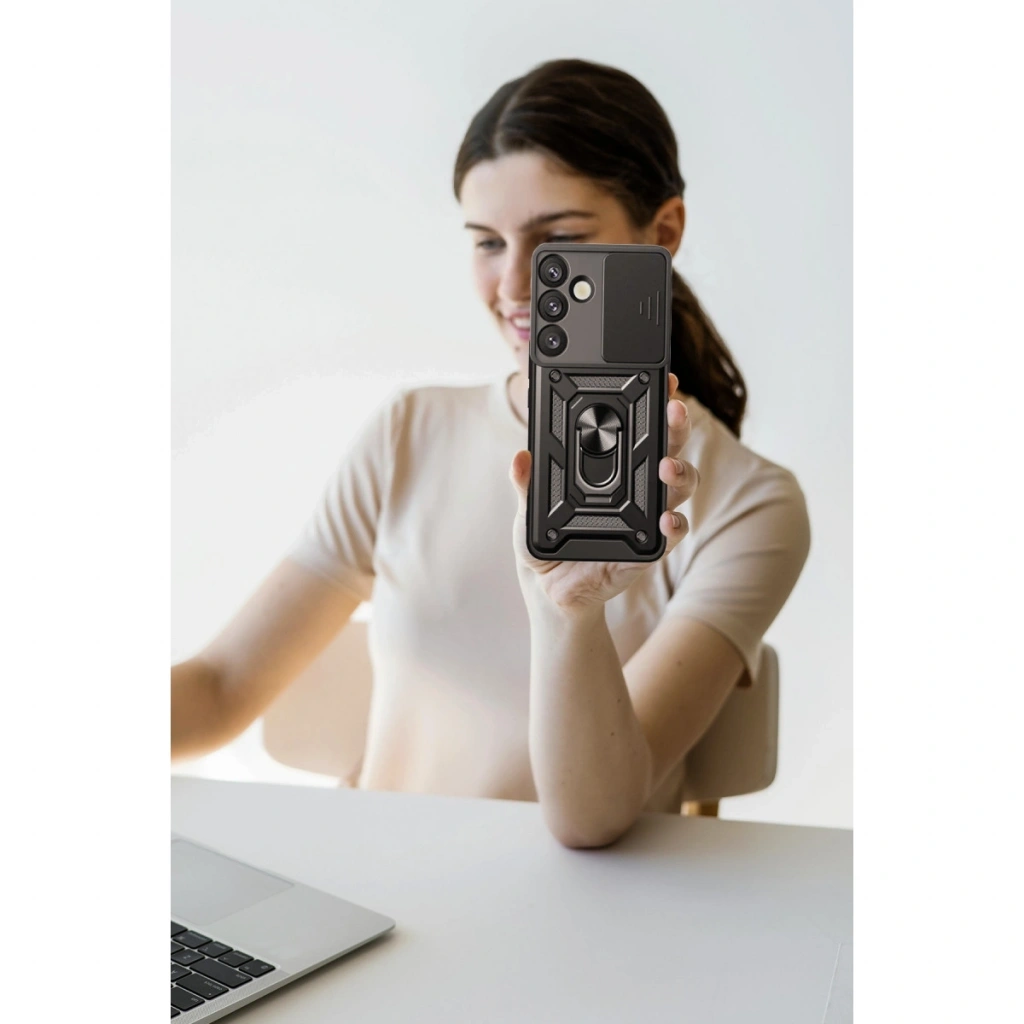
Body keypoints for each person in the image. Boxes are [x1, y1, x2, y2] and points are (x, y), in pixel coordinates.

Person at [171, 58, 810, 848]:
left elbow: (593, 816)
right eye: (486, 242)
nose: (513, 285)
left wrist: (567, 611)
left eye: (558, 242)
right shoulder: (409, 432)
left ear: (663, 232)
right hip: (377, 882)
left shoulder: (748, 504)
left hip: (584, 910)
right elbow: (221, 687)